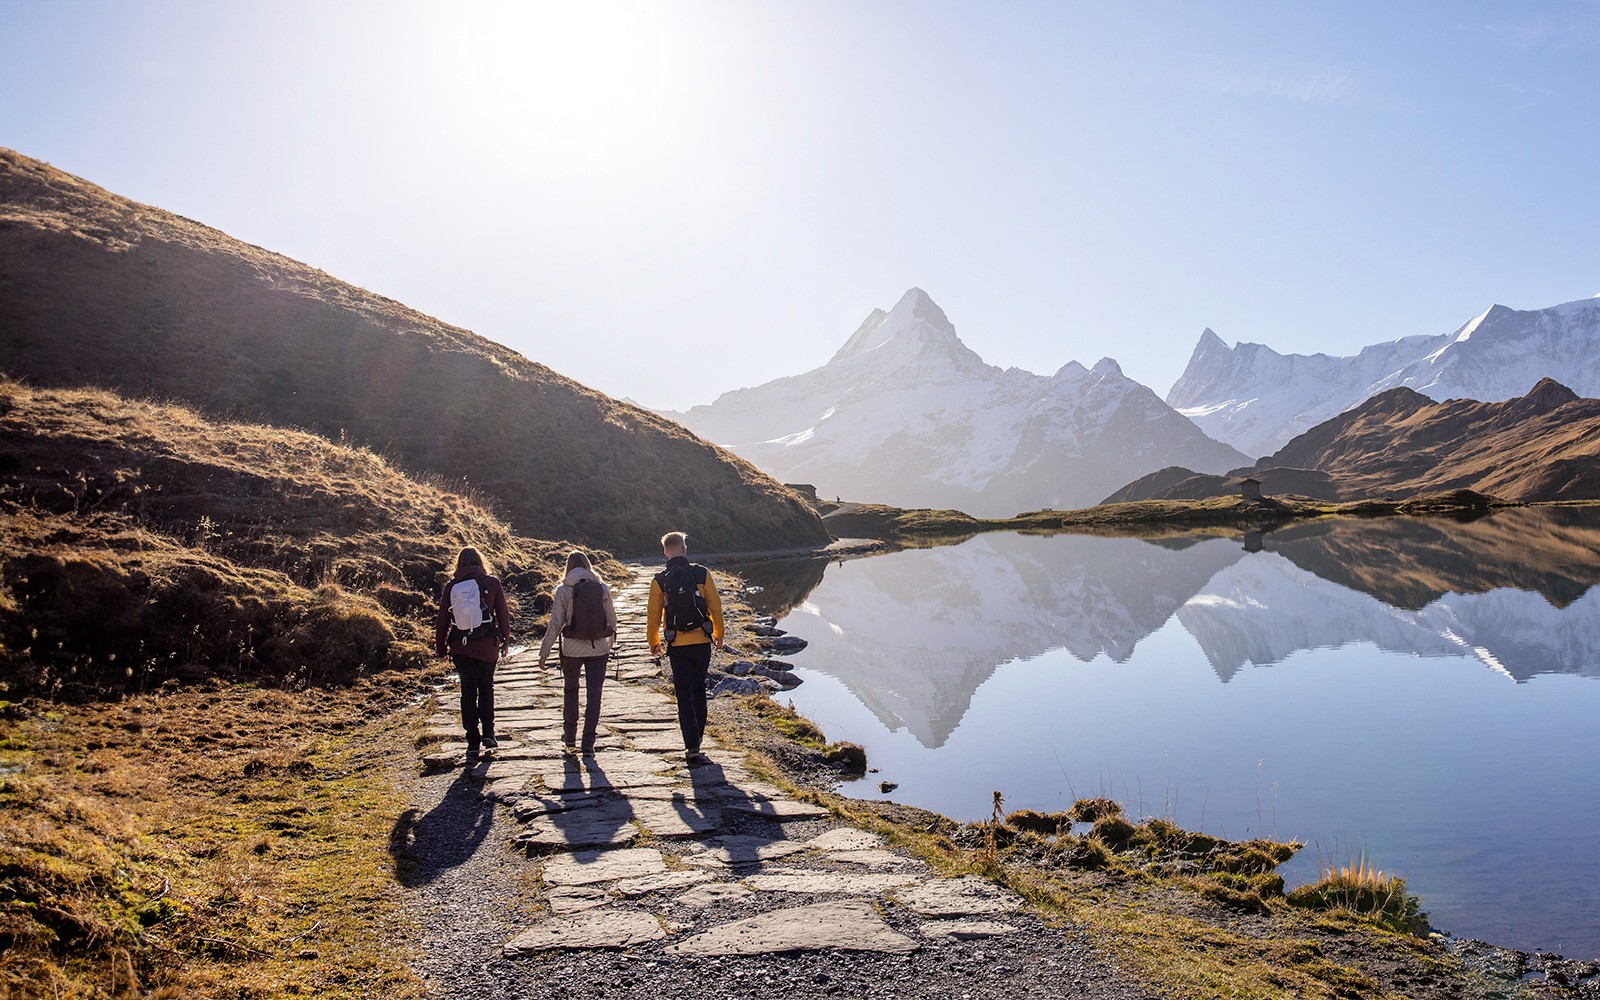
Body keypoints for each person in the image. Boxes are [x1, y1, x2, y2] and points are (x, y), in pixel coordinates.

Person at [647, 531, 724, 765]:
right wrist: (719, 633)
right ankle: (698, 737)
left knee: (683, 693)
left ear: (665, 552)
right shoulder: (701, 573)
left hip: (677, 644)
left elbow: (653, 614)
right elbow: (715, 605)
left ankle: (691, 746)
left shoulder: (660, 580)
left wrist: (653, 641)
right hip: (701, 641)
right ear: (684, 549)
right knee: (699, 689)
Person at [435, 546, 511, 765]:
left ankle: (472, 741)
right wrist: (505, 640)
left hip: (461, 647)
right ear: (480, 562)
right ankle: (489, 733)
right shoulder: (492, 583)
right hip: (487, 645)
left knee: (467, 691)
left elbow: (442, 620)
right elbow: (503, 615)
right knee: (486, 686)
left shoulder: (452, 586)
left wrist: (441, 648)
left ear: (459, 564)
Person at [538, 551, 618, 755]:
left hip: (571, 648)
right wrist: (607, 645)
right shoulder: (602, 588)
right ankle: (588, 743)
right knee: (594, 694)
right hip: (598, 648)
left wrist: (544, 652)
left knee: (571, 690)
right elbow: (612, 620)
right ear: (588, 565)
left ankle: (570, 736)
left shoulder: (563, 590)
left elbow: (555, 624)